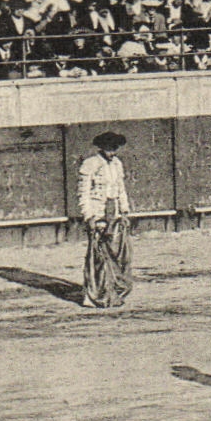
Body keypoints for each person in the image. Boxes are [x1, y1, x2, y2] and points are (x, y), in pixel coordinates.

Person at [77, 131, 133, 308]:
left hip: (114, 213)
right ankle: (96, 295)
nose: (113, 152)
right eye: (110, 148)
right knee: (99, 256)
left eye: (115, 148)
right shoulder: (90, 164)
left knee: (118, 254)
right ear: (101, 147)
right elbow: (83, 194)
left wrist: (124, 212)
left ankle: (114, 292)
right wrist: (89, 217)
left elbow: (121, 189)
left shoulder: (117, 164)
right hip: (98, 213)